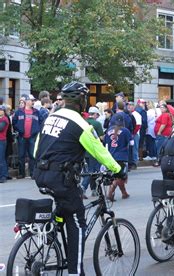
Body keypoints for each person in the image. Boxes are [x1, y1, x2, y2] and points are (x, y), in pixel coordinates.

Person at [33, 82, 121, 276]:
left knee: (65, 205)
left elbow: (35, 149)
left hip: (40, 174)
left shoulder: (50, 118)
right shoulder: (82, 124)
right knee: (78, 220)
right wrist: (118, 169)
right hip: (61, 179)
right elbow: (99, 152)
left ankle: (53, 227)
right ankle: (75, 272)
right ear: (81, 101)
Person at [12, 94, 43, 179]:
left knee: (32, 156)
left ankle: (33, 173)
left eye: (32, 100)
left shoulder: (37, 112)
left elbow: (41, 122)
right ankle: (22, 174)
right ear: (26, 101)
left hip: (32, 137)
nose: (32, 102)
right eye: (30, 100)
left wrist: (36, 131)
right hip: (22, 136)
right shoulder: (19, 112)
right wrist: (19, 130)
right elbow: (14, 122)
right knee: (21, 155)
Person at [104, 115, 132, 201]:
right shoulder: (125, 131)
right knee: (119, 177)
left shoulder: (108, 131)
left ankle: (124, 193)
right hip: (122, 156)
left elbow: (105, 143)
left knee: (116, 176)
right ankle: (110, 193)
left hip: (110, 156)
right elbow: (131, 143)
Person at [81, 107, 105, 198]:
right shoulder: (97, 124)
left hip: (83, 149)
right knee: (93, 170)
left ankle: (94, 190)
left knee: (87, 170)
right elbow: (101, 137)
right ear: (95, 114)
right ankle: (83, 188)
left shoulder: (83, 122)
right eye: (97, 115)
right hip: (93, 150)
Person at [0, 105, 9, 183]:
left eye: (1, 110)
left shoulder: (4, 119)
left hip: (2, 141)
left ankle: (3, 176)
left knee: (1, 159)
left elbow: (0, 128)